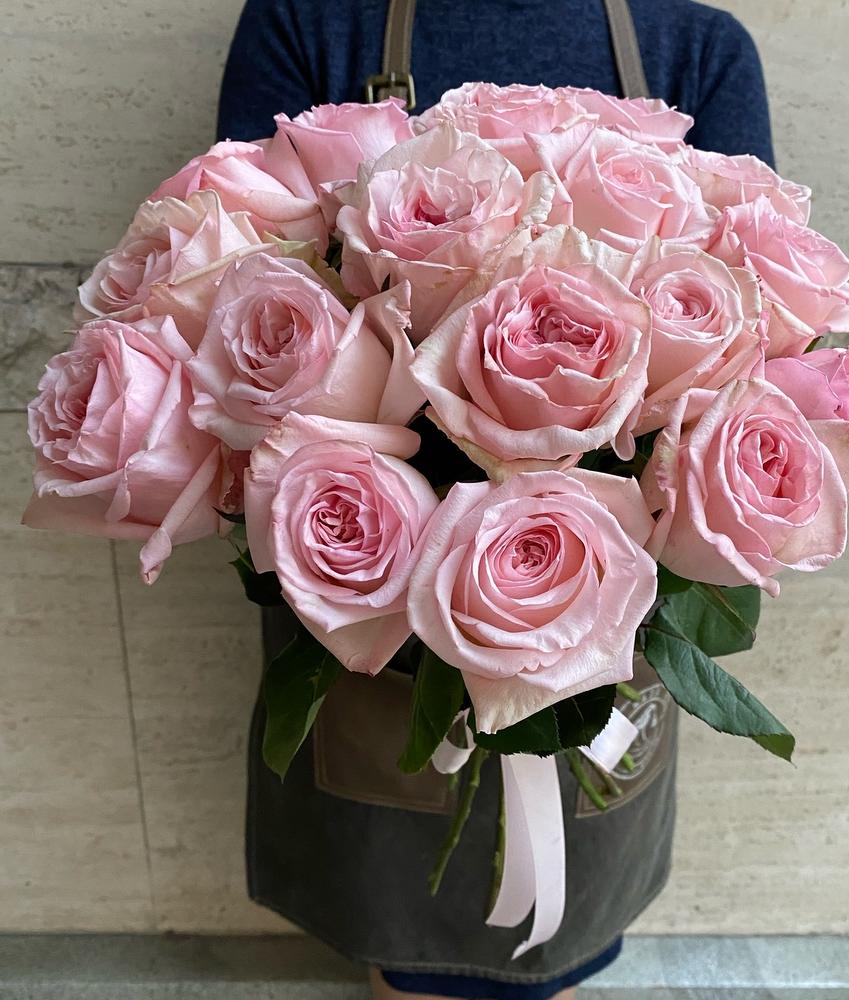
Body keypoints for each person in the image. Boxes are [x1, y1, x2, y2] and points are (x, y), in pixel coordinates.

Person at [217, 2, 774, 999]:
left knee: (567, 932)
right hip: (376, 631)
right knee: (400, 934)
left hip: (599, 657)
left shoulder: (696, 50)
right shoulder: (310, 22)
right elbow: (236, 296)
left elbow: (757, 342)